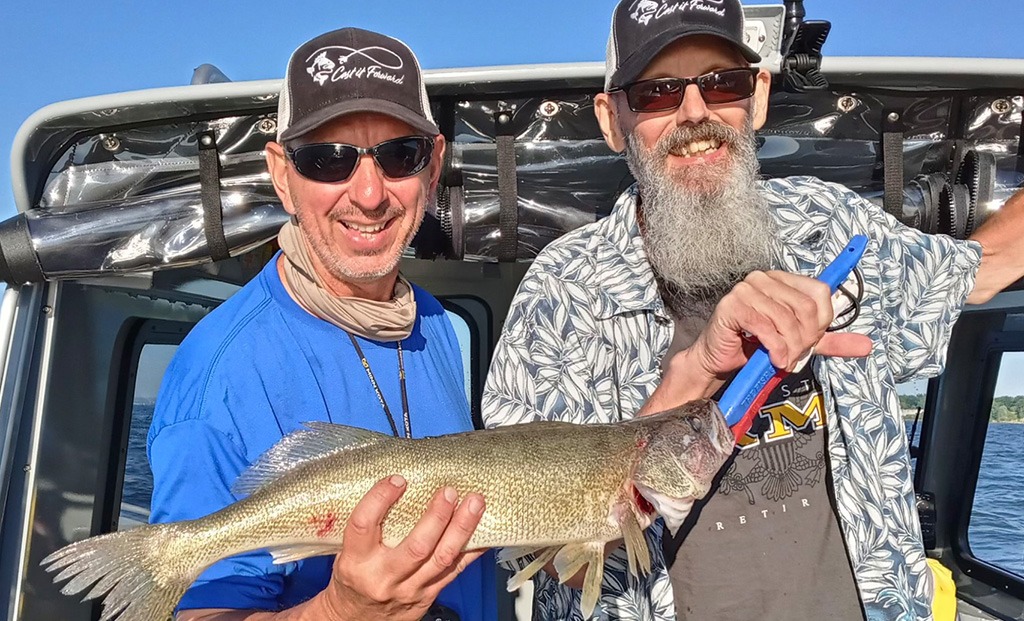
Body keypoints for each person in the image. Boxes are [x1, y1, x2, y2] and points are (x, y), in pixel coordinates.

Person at [481, 1, 1024, 620]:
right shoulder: (562, 289)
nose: (695, 113)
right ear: (612, 120)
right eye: (657, 92)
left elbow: (981, 271)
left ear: (757, 97)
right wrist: (697, 372)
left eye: (722, 83)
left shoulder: (830, 222)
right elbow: (540, 543)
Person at [148, 27, 495, 621]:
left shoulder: (432, 322)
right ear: (282, 174)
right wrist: (339, 611)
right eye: (327, 159)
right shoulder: (220, 372)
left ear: (433, 168)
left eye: (399, 155)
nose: (367, 193)